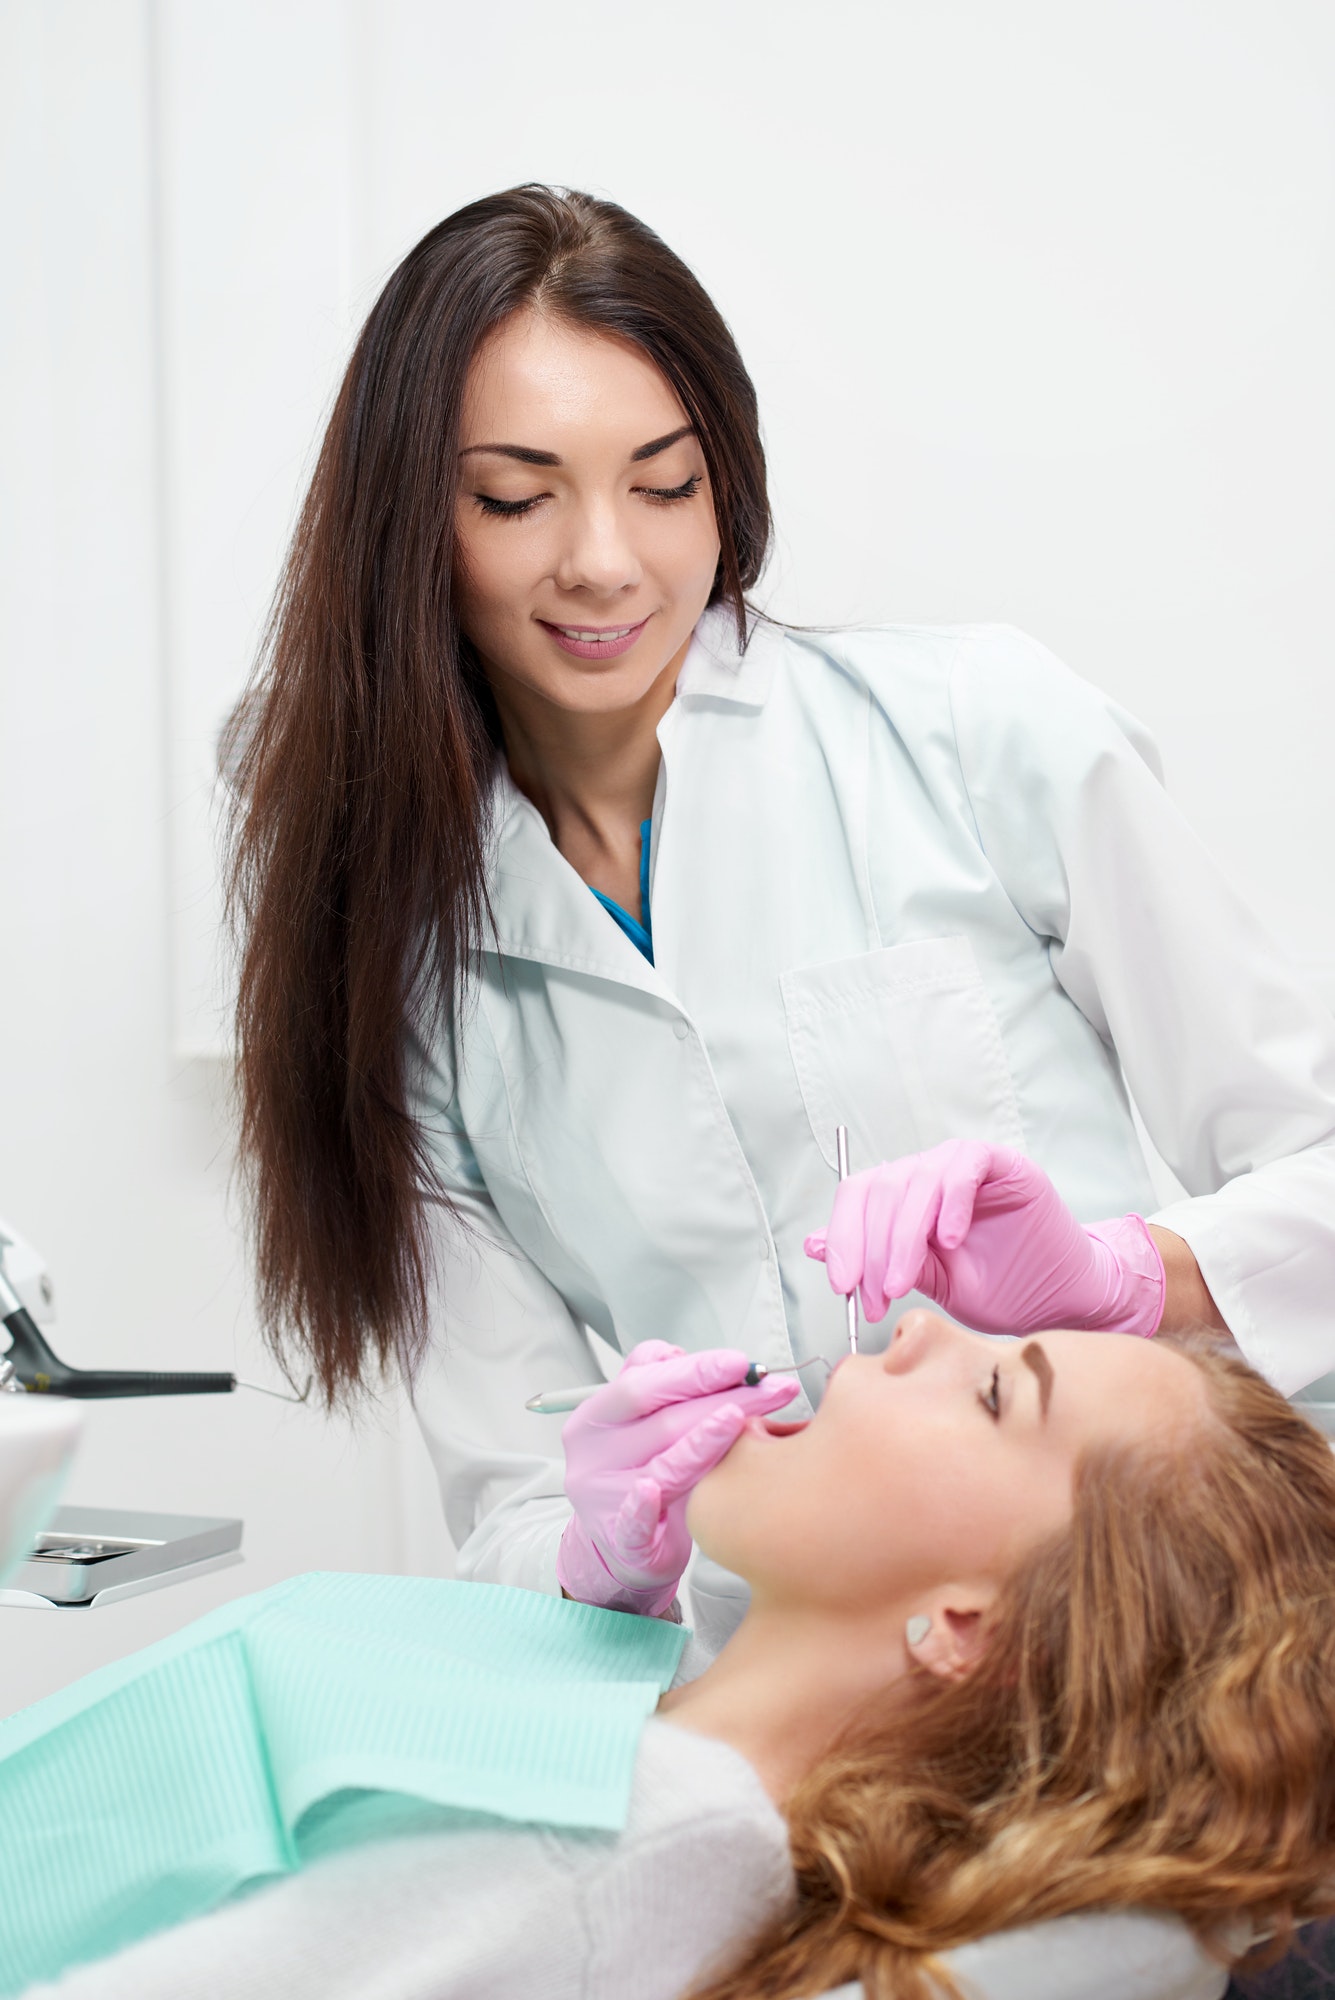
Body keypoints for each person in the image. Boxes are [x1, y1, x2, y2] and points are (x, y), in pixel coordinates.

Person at [227, 184, 1335, 1647]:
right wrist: (604, 1546)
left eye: (665, 483)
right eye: (514, 497)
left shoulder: (973, 731)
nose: (606, 562)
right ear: (407, 523)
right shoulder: (398, 961)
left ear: (726, 482)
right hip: (795, 1702)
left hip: (1152, 1635)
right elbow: (508, 1512)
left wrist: (1129, 1277)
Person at [20, 1320, 1335, 1999]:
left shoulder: (633, 1841)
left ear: (970, 1624)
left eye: (996, 1392)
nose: (921, 1329)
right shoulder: (633, 1712)